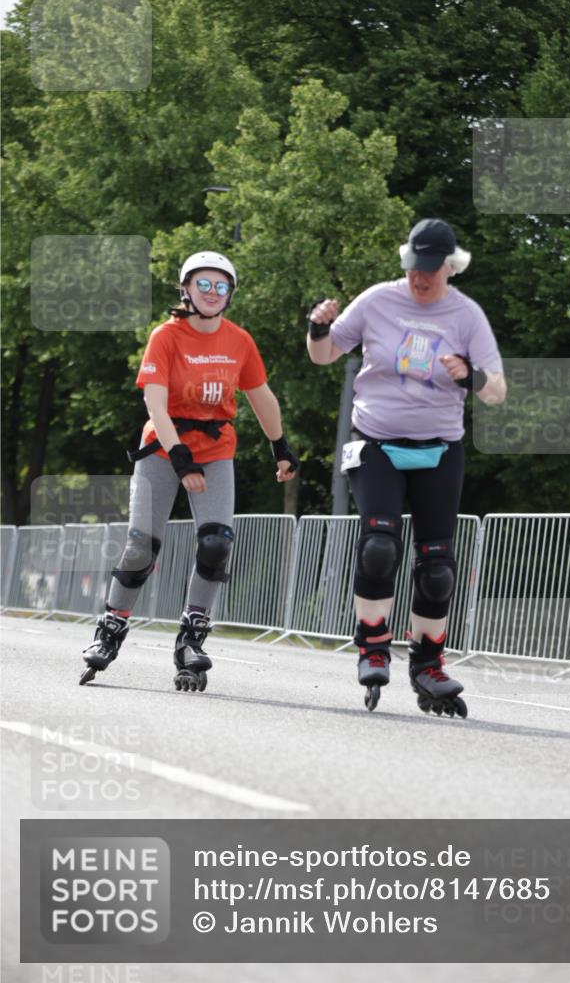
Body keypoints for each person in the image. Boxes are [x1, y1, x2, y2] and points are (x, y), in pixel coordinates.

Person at [306, 219, 505, 716]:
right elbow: (325, 355)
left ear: (450, 268)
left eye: (431, 272)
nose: (420, 280)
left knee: (438, 569)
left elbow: (497, 390)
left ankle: (427, 664)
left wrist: (470, 375)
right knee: (379, 546)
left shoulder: (467, 315)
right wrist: (317, 328)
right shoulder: (377, 300)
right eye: (415, 270)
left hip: (440, 449)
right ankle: (374, 646)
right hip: (377, 442)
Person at [80, 250, 298, 692]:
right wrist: (180, 456)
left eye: (221, 286)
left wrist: (281, 446)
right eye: (204, 284)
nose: (212, 293)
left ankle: (191, 639)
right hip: (162, 448)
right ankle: (110, 628)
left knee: (216, 544)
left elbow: (261, 396)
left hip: (216, 449)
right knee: (142, 547)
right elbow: (154, 402)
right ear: (186, 289)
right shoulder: (167, 336)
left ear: (230, 294)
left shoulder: (239, 340)